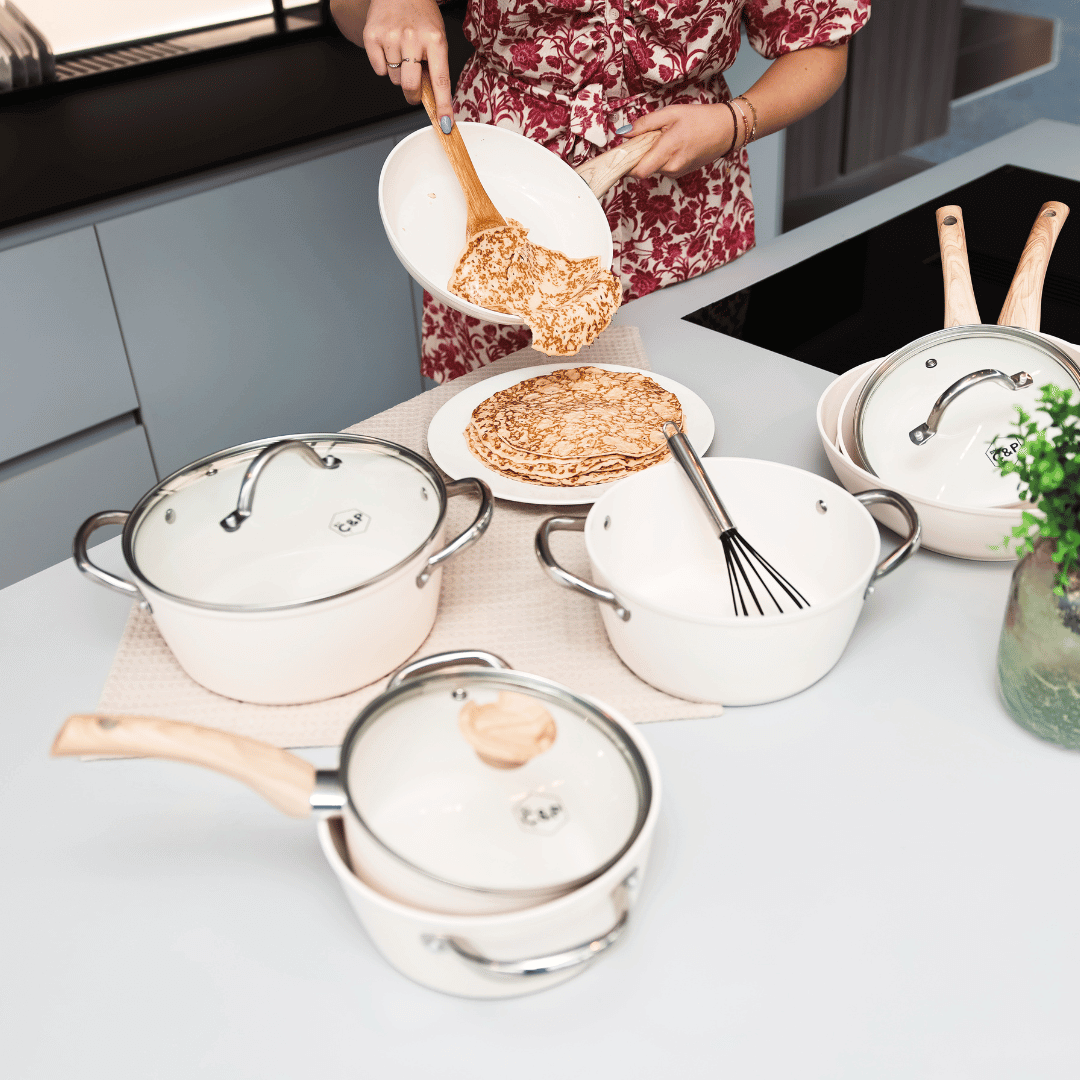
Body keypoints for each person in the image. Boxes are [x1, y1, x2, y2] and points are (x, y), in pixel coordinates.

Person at [332, 0, 869, 382]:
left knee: (678, 419)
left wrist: (733, 123)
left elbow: (821, 39)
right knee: (498, 430)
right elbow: (351, 14)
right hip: (498, 199)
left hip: (686, 215)